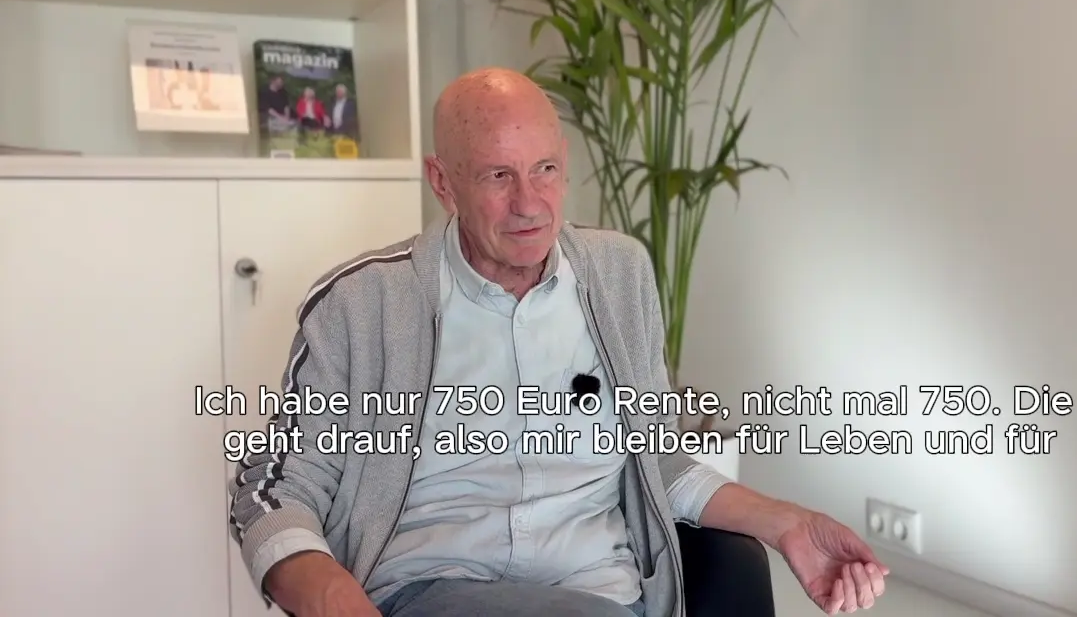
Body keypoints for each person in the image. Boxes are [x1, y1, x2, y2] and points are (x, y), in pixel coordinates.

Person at [228, 67, 890, 617]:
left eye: (544, 169)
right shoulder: (360, 303)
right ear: (442, 181)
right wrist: (337, 600)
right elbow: (273, 490)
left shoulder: (620, 275)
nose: (530, 203)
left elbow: (658, 459)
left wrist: (787, 524)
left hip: (600, 596)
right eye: (497, 176)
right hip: (434, 592)